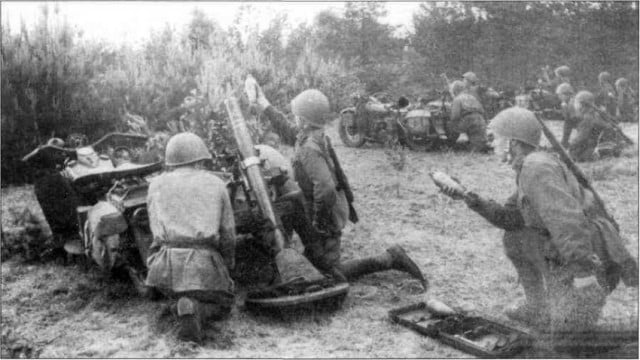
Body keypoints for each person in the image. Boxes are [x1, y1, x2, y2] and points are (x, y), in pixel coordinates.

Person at [441, 107, 637, 335]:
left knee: (569, 344)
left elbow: (567, 221)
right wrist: (467, 196)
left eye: (495, 138)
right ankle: (537, 308)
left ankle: (633, 334)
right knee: (515, 238)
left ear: (513, 142)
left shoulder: (536, 168)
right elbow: (511, 218)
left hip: (592, 257)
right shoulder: (528, 166)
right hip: (572, 250)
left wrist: (583, 273)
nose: (491, 143)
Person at [245, 77, 427, 288]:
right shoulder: (313, 136)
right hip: (323, 212)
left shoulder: (308, 148)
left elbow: (326, 189)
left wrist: (318, 223)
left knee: (330, 275)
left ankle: (389, 258)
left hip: (325, 217)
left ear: (303, 120)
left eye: (296, 116)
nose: (293, 119)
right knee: (314, 264)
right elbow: (288, 130)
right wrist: (264, 103)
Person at [145, 132, 236, 343]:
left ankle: (178, 305)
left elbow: (155, 230)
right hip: (204, 261)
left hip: (166, 264)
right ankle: (196, 309)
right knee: (225, 304)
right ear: (201, 158)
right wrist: (228, 264)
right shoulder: (216, 183)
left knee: (168, 295)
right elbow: (228, 233)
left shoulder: (155, 185)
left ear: (171, 160)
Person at [570, 91, 623, 162]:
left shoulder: (587, 118)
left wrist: (569, 148)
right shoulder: (597, 114)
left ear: (581, 105)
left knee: (574, 154)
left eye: (576, 103)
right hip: (611, 149)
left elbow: (580, 139)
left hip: (601, 152)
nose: (575, 106)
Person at [449, 80, 491, 153]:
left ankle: (454, 144)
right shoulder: (472, 97)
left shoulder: (457, 99)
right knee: (478, 143)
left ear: (455, 90)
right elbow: (482, 110)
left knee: (450, 125)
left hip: (468, 120)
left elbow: (455, 116)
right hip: (480, 119)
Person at [556, 83, 580, 149]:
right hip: (575, 121)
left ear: (566, 95)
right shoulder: (567, 102)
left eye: (560, 95)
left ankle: (565, 143)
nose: (559, 97)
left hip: (580, 122)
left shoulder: (572, 103)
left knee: (567, 122)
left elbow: (573, 118)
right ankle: (564, 142)